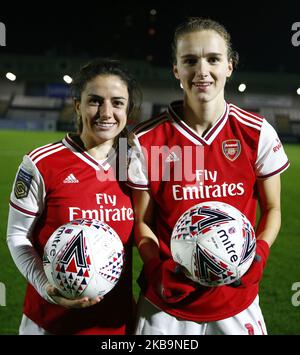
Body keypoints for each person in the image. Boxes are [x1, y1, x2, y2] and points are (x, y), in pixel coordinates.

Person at [127, 17, 290, 335]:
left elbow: (273, 209)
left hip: (236, 302)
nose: (202, 71)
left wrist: (259, 255)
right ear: (176, 69)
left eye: (213, 59)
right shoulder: (144, 139)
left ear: (229, 65)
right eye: (190, 60)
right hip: (165, 308)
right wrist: (155, 267)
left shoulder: (256, 133)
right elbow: (141, 220)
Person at [6, 58, 141, 335]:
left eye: (117, 103)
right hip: (50, 323)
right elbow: (17, 236)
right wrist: (47, 288)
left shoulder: (136, 165)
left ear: (127, 109)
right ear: (78, 105)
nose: (106, 112)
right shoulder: (41, 163)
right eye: (94, 101)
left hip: (115, 324)